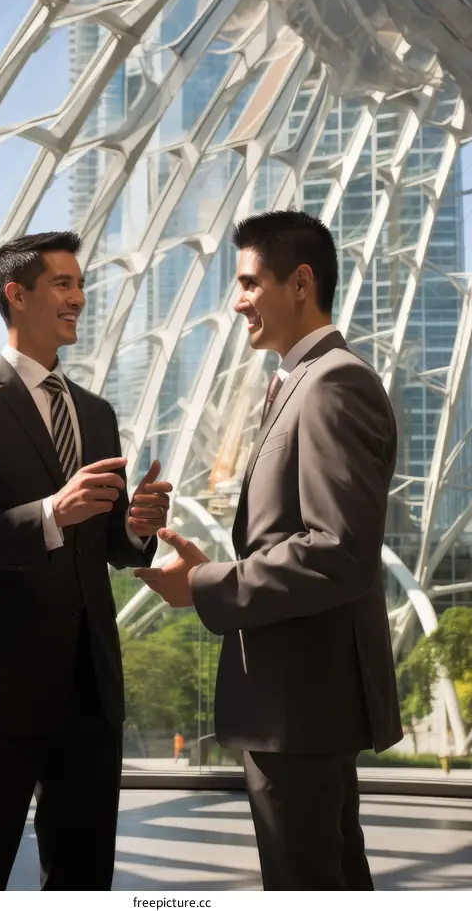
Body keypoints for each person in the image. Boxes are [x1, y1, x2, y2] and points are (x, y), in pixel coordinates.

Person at [136, 210, 402, 891]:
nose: (238, 301)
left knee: (303, 881)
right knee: (329, 877)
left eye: (250, 283)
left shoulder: (333, 383)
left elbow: (337, 550)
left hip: (300, 703)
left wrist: (206, 584)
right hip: (300, 700)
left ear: (301, 283)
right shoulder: (300, 381)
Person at [0, 231, 173, 891]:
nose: (79, 297)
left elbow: (109, 544)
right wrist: (49, 514)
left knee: (84, 881)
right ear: (17, 294)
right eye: (63, 283)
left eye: (81, 284)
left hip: (91, 694)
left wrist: (138, 527)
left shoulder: (97, 413)